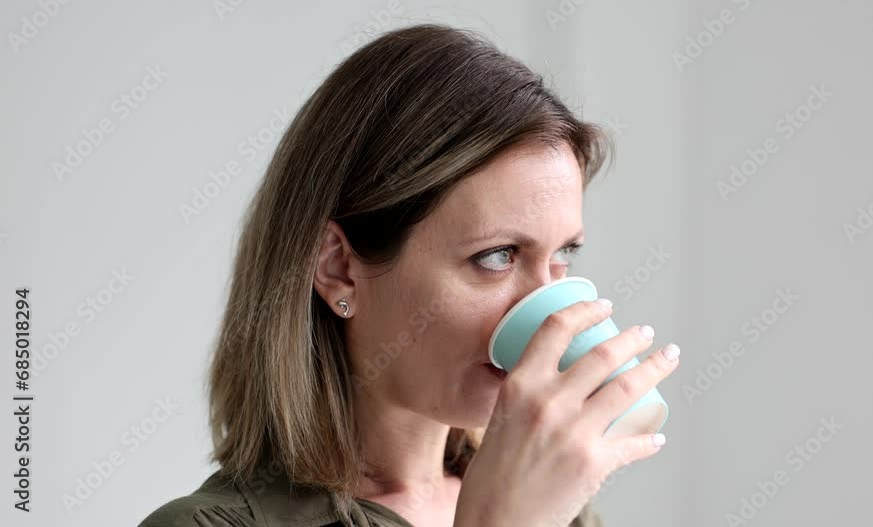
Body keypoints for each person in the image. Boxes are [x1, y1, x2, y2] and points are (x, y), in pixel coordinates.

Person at [138, 23, 680, 527]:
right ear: (339, 269)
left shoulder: (561, 507)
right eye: (497, 256)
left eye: (563, 255)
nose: (551, 318)